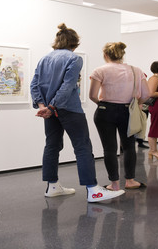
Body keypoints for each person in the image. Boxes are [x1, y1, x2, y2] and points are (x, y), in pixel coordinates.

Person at [30, 23, 125, 202]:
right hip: (69, 109)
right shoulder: (74, 59)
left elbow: (34, 84)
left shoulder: (44, 59)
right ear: (75, 43)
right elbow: (67, 86)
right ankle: (93, 189)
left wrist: (43, 106)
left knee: (52, 145)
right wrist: (52, 107)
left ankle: (52, 186)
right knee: (82, 147)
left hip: (50, 109)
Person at [89, 42, 150, 191]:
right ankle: (130, 180)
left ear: (105, 55)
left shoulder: (100, 70)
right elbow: (147, 94)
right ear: (122, 55)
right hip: (128, 110)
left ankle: (114, 184)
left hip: (105, 110)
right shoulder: (136, 70)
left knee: (109, 148)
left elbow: (92, 95)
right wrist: (137, 104)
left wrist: (103, 104)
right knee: (129, 146)